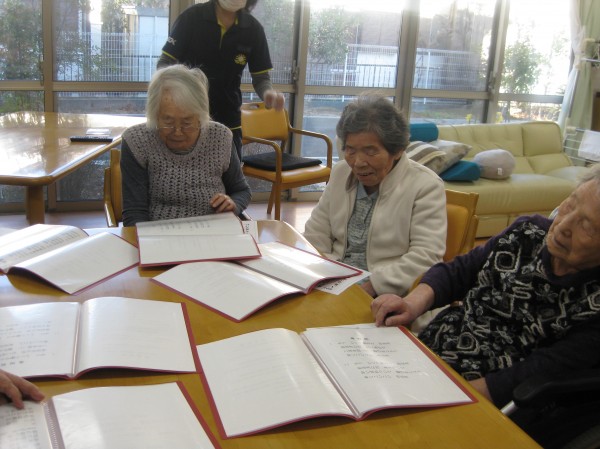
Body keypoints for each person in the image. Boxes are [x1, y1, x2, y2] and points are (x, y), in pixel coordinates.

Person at [371, 163, 600, 409]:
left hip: (483, 392)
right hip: (431, 351)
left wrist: (435, 395)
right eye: (570, 205)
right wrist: (410, 304)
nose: (563, 226)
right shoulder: (527, 232)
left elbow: (534, 373)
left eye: (586, 226)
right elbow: (460, 270)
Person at [303, 95, 447, 298]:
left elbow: (426, 258)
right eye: (350, 150)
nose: (358, 162)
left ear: (397, 150)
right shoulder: (341, 172)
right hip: (332, 282)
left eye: (370, 152)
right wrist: (317, 275)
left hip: (387, 295)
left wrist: (371, 288)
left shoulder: (425, 186)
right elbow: (315, 234)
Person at [121, 64, 251, 226]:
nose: (177, 132)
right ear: (154, 116)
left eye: (187, 122)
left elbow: (241, 191)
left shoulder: (220, 137)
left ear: (201, 117)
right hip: (160, 233)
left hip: (213, 231)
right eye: (168, 122)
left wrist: (233, 204)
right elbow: (134, 213)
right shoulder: (137, 141)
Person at [157, 0, 285, 160]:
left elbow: (261, 78)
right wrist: (170, 91)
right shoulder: (191, 17)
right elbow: (164, 63)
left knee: (230, 173)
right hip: (187, 117)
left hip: (228, 118)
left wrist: (268, 93)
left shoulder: (253, 29)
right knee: (185, 172)